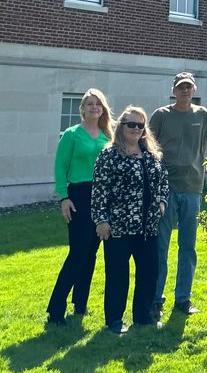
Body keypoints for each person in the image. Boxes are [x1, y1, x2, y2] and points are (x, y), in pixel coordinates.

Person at [92, 106, 169, 334]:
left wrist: (162, 202)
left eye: (140, 125)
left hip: (147, 227)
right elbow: (99, 190)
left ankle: (143, 316)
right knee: (117, 275)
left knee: (149, 271)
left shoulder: (150, 154)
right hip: (118, 226)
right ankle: (114, 320)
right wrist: (101, 220)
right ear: (121, 127)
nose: (136, 129)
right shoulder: (110, 155)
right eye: (131, 125)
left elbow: (164, 180)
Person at [149, 70, 207, 318]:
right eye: (180, 87)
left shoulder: (202, 114)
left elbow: (201, 148)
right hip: (166, 189)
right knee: (160, 246)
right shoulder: (162, 115)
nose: (185, 91)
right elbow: (150, 147)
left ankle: (183, 299)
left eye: (189, 87)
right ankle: (156, 299)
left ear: (194, 90)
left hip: (192, 188)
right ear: (174, 90)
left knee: (188, 246)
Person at [46, 88, 112, 325]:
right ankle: (55, 307)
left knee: (91, 253)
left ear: (103, 109)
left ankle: (80, 303)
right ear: (82, 109)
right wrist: (64, 197)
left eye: (98, 104)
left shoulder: (107, 135)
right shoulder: (72, 135)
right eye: (89, 104)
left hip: (101, 196)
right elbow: (60, 167)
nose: (94, 107)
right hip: (78, 195)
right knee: (77, 253)